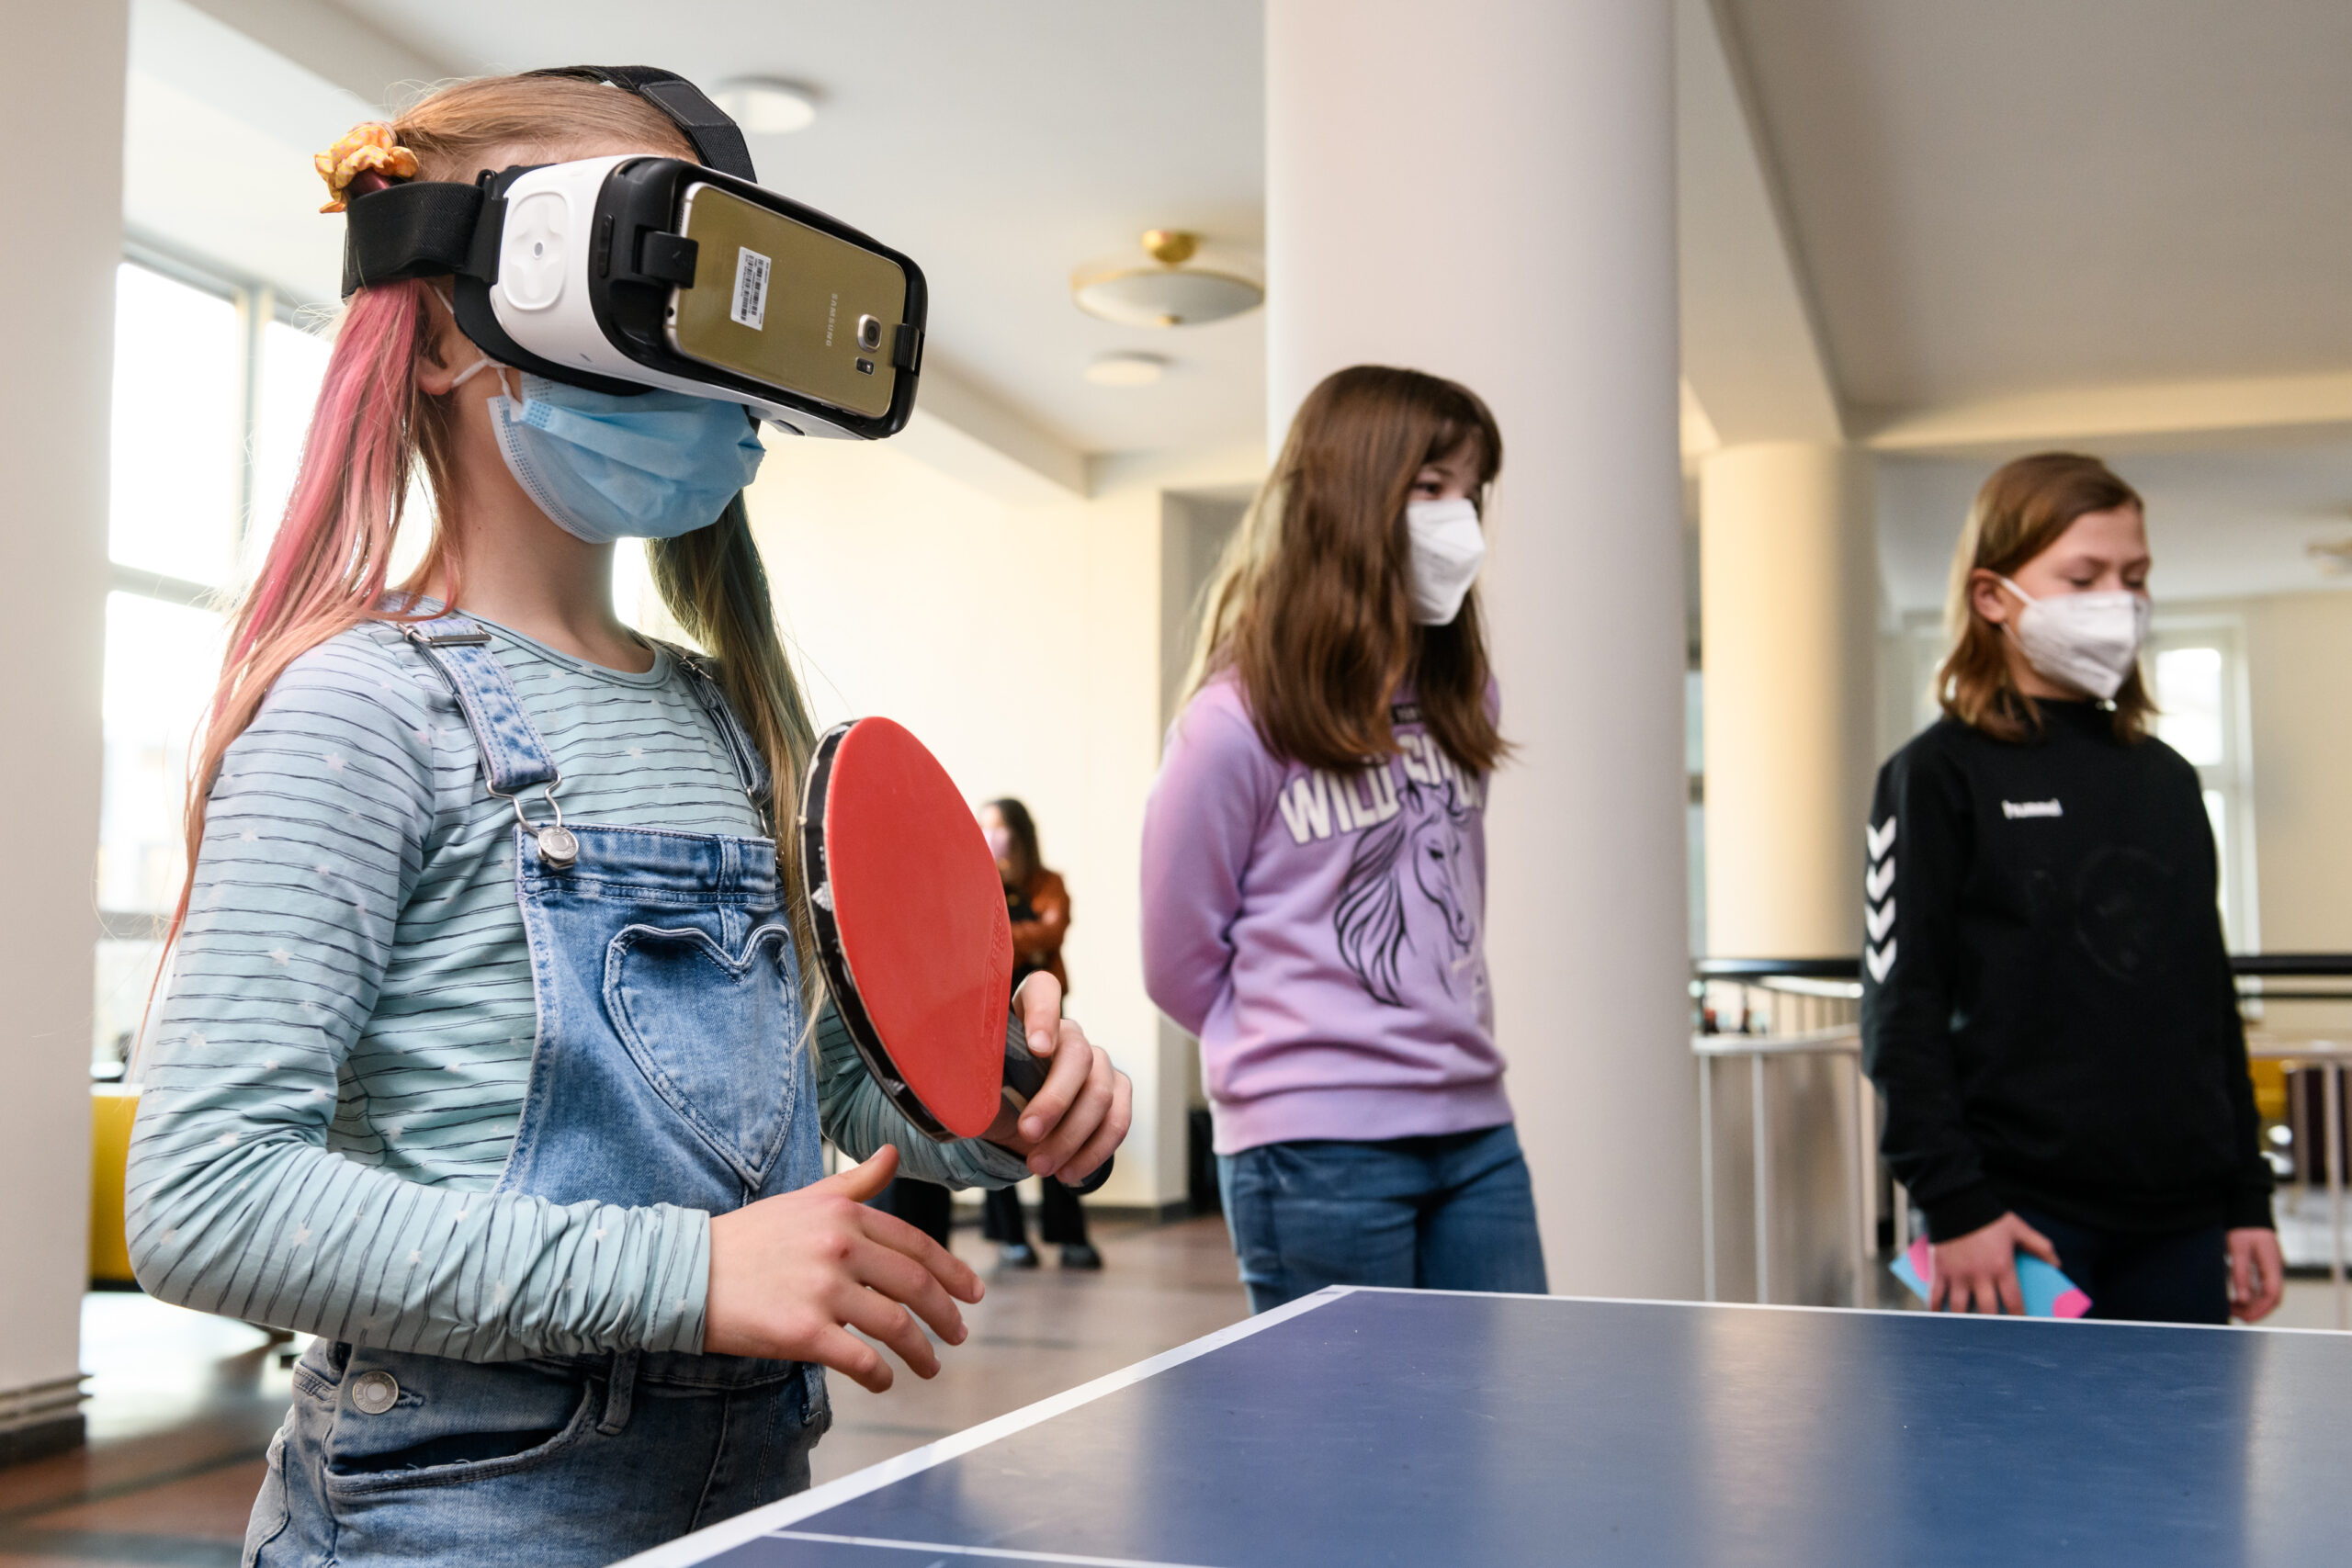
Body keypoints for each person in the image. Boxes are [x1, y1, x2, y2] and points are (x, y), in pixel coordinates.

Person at [121, 73, 1127, 1566]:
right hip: (452, 1513)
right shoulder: (362, 709)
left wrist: (1004, 1100)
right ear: (462, 331)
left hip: (741, 1494)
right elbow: (204, 1198)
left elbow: (834, 1104)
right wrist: (688, 1273)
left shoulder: (732, 720)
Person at [1139, 365, 1545, 1314]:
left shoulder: (1461, 698)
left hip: (1475, 1129)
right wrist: (1309, 1050)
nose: (1462, 522)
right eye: (1431, 488)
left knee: (1508, 1433)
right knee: (1354, 1458)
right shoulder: (1232, 723)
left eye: (1471, 492)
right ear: (1350, 498)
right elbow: (1177, 962)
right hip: (1315, 1148)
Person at [1861, 451, 2282, 1325]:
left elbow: (2208, 999)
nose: (2118, 602)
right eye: (2083, 576)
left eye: (2134, 577)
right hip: (2018, 1221)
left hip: (2183, 1224)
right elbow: (1900, 1016)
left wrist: (2248, 1200)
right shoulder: (1934, 776)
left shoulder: (2167, 778)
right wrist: (1958, 1203)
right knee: (2019, 1463)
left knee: (2178, 1464)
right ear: (1992, 597)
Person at [977, 798, 1101, 1269]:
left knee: (1058, 1117)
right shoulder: (977, 879)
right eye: (984, 828)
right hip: (989, 1009)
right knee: (994, 1120)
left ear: (1020, 835)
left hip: (1041, 1010)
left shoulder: (1049, 884)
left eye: (1000, 829)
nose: (993, 837)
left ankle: (1070, 1236)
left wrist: (1008, 933)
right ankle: (1011, 1239)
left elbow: (1050, 934)